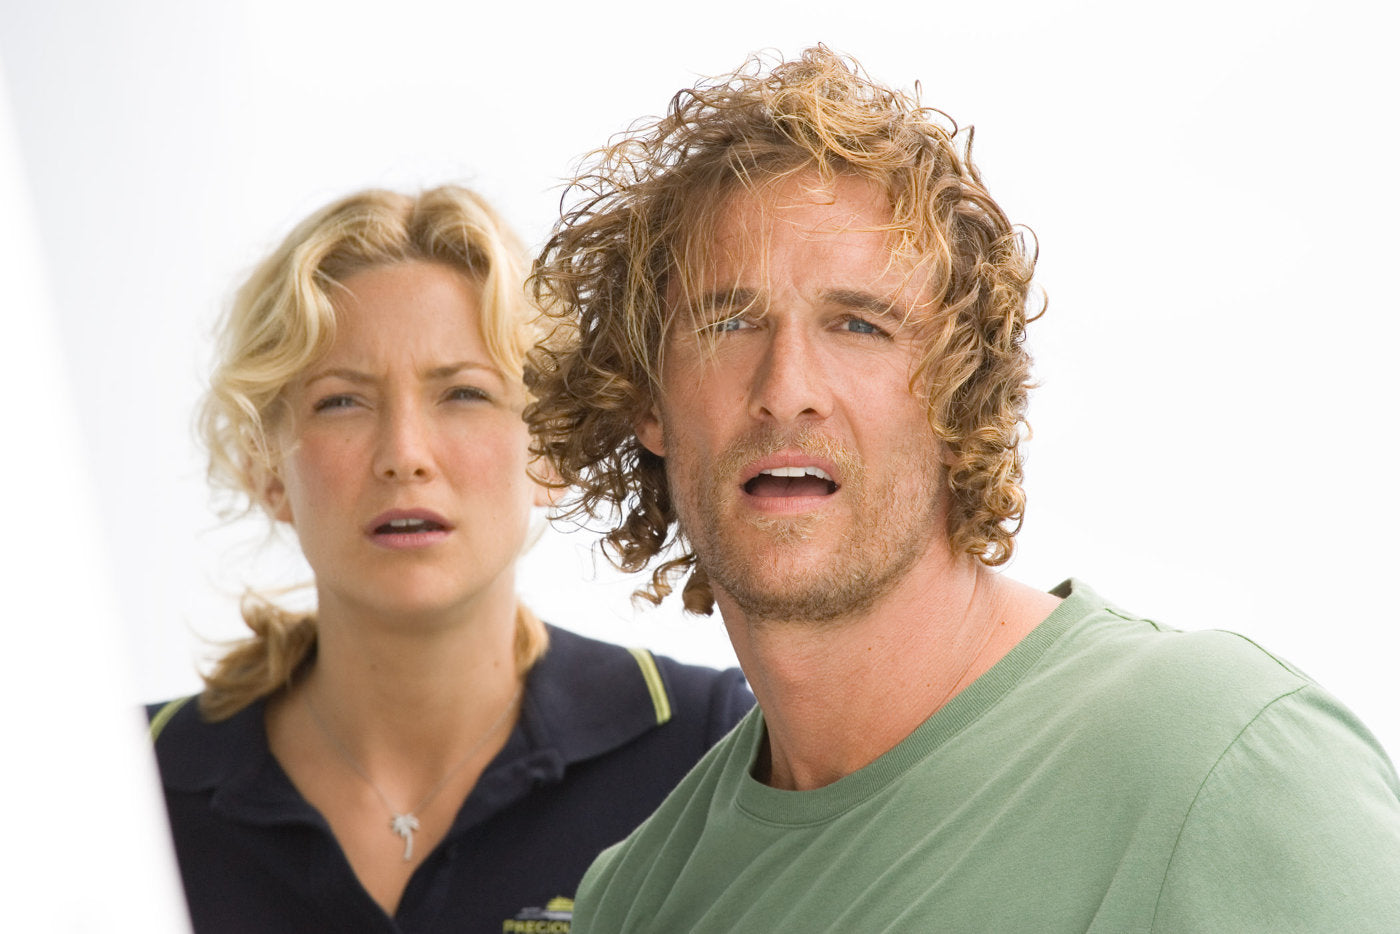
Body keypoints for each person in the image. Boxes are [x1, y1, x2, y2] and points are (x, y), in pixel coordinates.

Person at [528, 47, 1400, 932]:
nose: (786, 386)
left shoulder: (1222, 760)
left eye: (859, 324)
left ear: (959, 397)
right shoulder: (633, 898)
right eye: (728, 321)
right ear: (647, 401)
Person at [147, 185, 753, 934]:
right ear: (268, 468)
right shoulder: (122, 782)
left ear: (551, 451)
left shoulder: (709, 749)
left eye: (464, 394)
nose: (404, 454)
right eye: (341, 401)